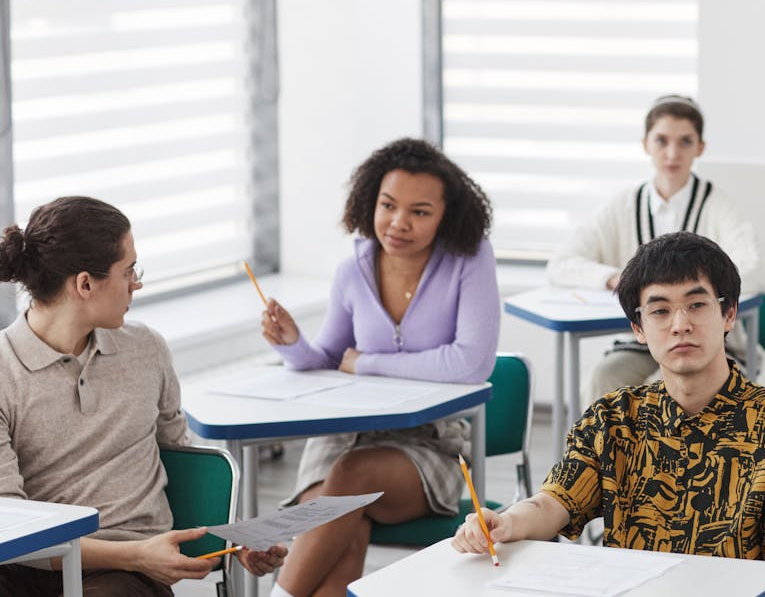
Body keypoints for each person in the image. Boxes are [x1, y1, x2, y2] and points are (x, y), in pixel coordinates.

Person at [454, 232, 765, 596]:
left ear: (729, 314)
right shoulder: (612, 420)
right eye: (660, 311)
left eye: (697, 305)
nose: (680, 325)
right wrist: (505, 523)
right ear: (639, 328)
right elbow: (553, 503)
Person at [0, 196, 286, 597]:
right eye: (129, 270)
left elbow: (184, 462)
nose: (137, 283)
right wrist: (136, 555)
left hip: (125, 576)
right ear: (85, 284)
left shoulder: (146, 349)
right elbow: (10, 525)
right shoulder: (4, 372)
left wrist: (233, 539)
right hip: (27, 565)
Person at [260, 138, 500, 597]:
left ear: (446, 215)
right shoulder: (352, 270)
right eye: (388, 205)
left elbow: (470, 363)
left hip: (427, 443)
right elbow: (329, 358)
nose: (398, 222)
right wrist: (292, 344)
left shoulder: (469, 259)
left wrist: (368, 363)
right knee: (346, 528)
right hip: (341, 437)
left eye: (420, 211)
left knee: (353, 478)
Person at [547, 95, 765, 401]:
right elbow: (562, 263)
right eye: (662, 141)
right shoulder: (623, 205)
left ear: (700, 147)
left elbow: (755, 272)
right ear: (646, 144)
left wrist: (696, 292)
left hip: (711, 344)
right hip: (645, 343)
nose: (672, 153)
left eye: (685, 141)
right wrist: (616, 279)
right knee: (604, 376)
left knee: (663, 385)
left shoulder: (719, 206)